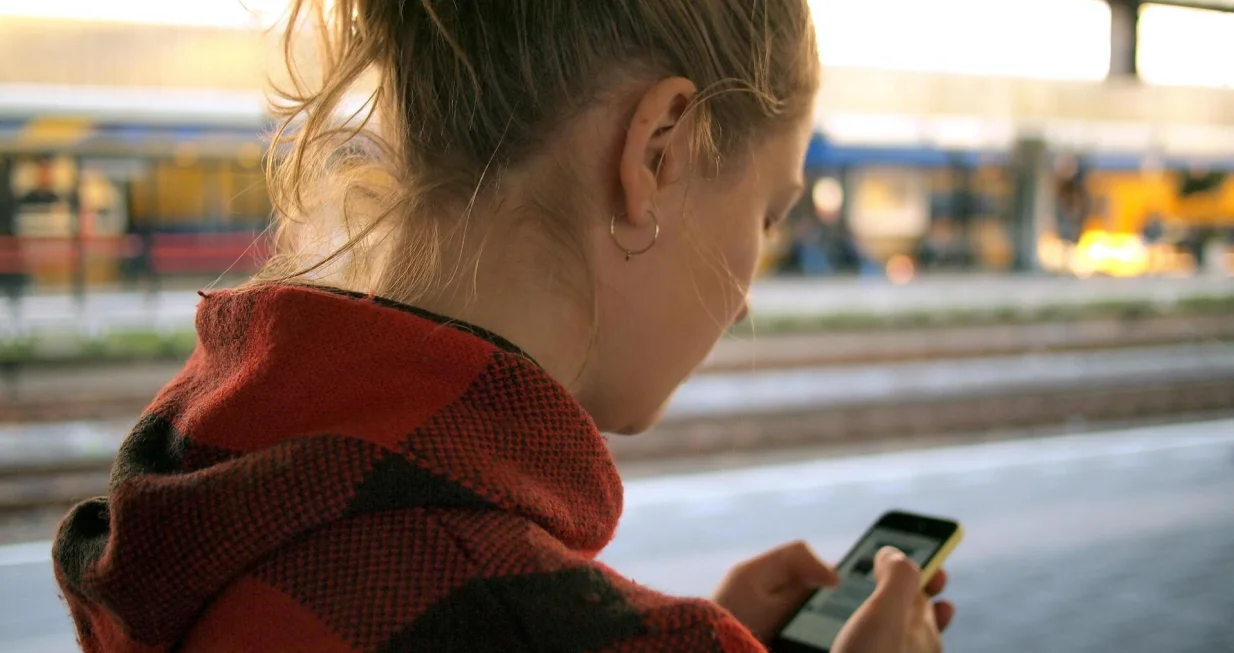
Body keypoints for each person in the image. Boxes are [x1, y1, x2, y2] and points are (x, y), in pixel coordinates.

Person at [52, 1, 955, 651]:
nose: (746, 294)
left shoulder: (211, 496)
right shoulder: (519, 612)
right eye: (768, 213)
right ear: (658, 151)